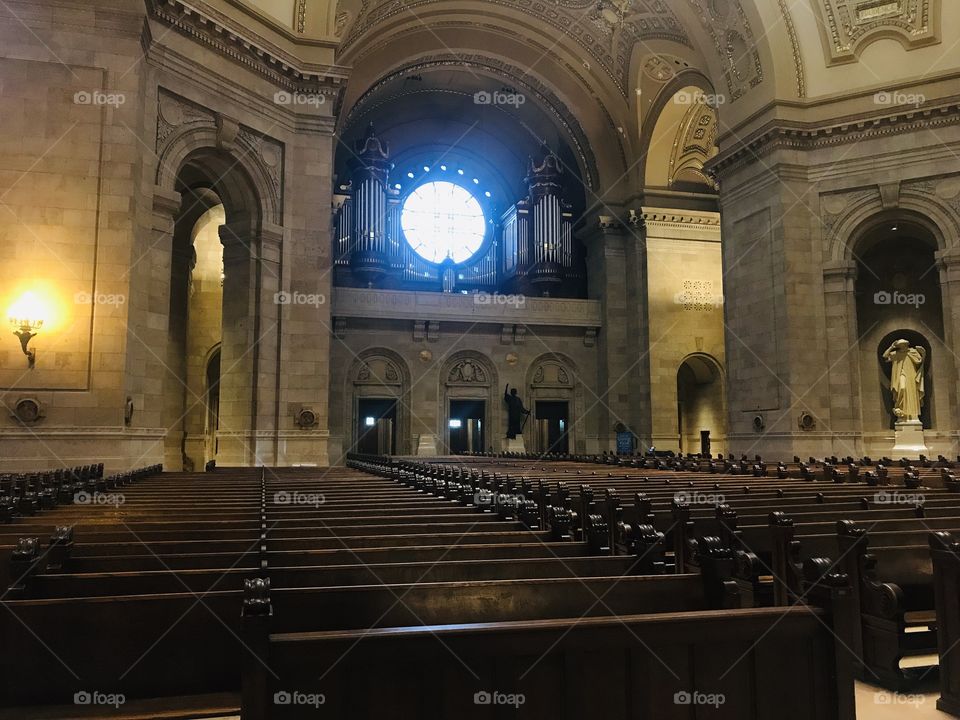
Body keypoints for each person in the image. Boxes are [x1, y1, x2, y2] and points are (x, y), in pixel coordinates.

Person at [882, 339, 925, 421]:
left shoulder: (913, 352)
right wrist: (891, 347)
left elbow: (919, 361)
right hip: (900, 374)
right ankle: (899, 407)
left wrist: (923, 354)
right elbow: (885, 356)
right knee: (902, 388)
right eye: (900, 345)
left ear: (906, 344)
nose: (902, 346)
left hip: (911, 374)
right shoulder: (896, 354)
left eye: (903, 344)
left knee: (911, 393)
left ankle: (912, 415)